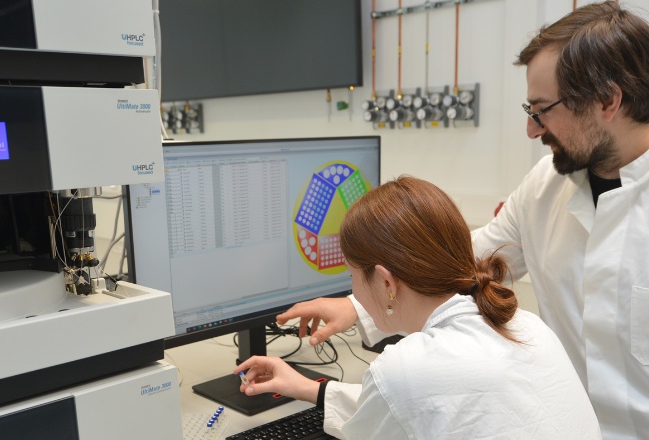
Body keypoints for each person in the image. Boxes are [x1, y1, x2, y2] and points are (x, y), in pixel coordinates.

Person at [277, 3, 649, 439]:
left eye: (541, 110)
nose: (531, 130)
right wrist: (358, 305)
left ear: (608, 100)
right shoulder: (547, 186)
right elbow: (467, 262)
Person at [235, 176, 601, 439]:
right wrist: (309, 388)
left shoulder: (404, 368)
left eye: (352, 276)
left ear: (387, 283)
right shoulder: (528, 325)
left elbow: (405, 399)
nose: (351, 290)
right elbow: (425, 405)